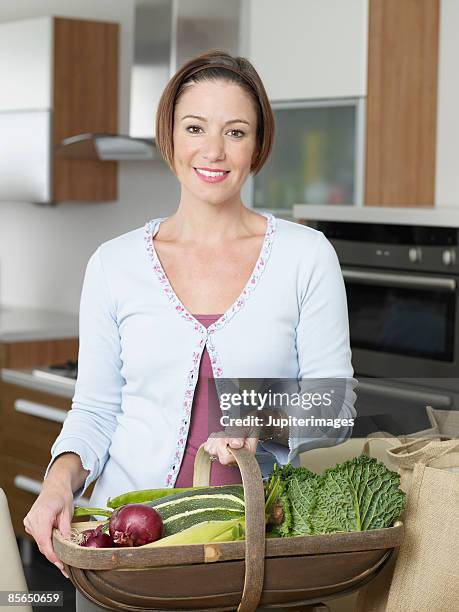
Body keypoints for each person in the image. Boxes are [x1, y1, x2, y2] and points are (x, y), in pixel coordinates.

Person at [23, 50, 356, 609]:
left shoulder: (306, 256)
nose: (214, 151)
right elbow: (95, 410)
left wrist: (258, 422)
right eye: (195, 127)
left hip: (255, 550)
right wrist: (59, 479)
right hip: (125, 552)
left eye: (236, 132)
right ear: (170, 137)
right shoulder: (114, 263)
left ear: (259, 145)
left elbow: (336, 405)